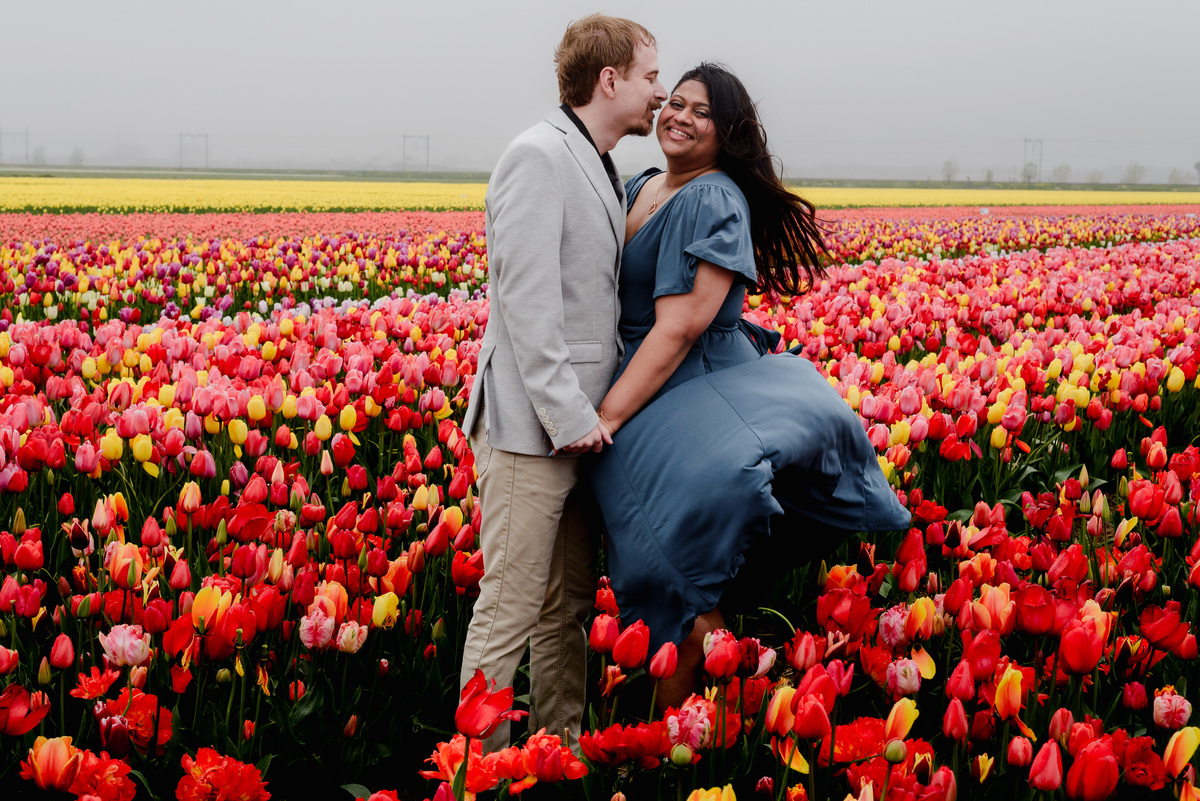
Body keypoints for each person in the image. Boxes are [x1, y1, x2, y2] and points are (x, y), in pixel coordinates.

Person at [590, 63, 912, 707]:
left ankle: (687, 736)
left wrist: (607, 416)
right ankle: (735, 713)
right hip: (643, 385)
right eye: (673, 103)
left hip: (689, 391)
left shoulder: (714, 197)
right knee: (668, 576)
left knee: (672, 575)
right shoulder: (643, 185)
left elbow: (680, 327)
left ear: (728, 130)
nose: (678, 116)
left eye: (700, 112)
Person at [459, 14, 667, 751]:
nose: (659, 92)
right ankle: (473, 770)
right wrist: (568, 414)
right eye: (649, 77)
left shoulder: (597, 161)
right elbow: (527, 304)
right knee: (509, 608)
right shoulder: (538, 156)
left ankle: (557, 754)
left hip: (582, 429)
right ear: (607, 80)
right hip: (533, 429)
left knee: (567, 605)